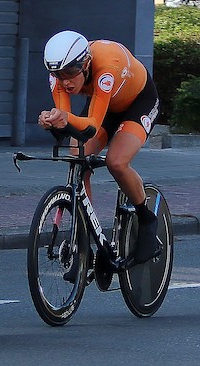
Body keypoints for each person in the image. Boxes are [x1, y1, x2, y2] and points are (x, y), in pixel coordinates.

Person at [38, 30, 160, 266]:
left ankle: (147, 219)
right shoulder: (60, 76)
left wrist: (64, 119)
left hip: (138, 102)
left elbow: (91, 126)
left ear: (85, 64)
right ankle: (85, 228)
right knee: (78, 153)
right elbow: (67, 120)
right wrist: (52, 121)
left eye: (71, 73)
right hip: (104, 106)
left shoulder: (106, 68)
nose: (65, 81)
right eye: (58, 74)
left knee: (116, 161)